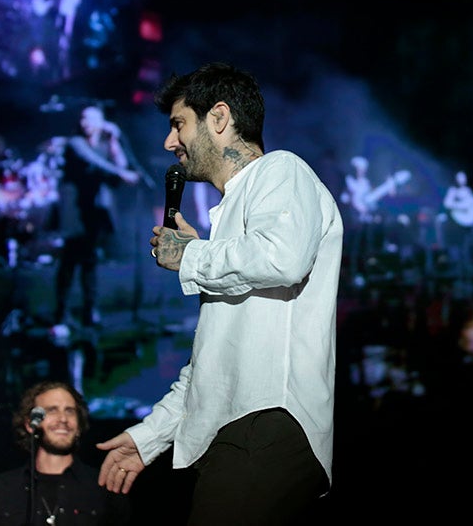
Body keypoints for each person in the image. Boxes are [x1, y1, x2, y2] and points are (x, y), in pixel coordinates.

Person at [94, 62, 344, 526]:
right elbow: (213, 361)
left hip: (268, 420)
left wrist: (191, 256)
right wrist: (149, 437)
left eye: (178, 124)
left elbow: (283, 257)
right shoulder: (229, 221)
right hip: (239, 428)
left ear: (220, 118)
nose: (170, 143)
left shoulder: (281, 171)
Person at [0, 380, 131, 525]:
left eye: (70, 411)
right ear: (31, 424)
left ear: (79, 426)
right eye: (52, 410)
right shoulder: (3, 489)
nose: (63, 418)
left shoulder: (104, 487)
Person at [54, 104, 141, 327]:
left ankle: (89, 310)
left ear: (101, 123)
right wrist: (122, 174)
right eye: (83, 119)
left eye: (91, 119)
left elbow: (120, 162)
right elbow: (97, 163)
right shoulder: (75, 143)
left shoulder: (104, 142)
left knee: (90, 260)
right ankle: (61, 312)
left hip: (93, 209)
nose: (86, 123)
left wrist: (113, 141)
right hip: (73, 207)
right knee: (70, 260)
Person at [442, 170, 473, 283]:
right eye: (459, 178)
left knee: (470, 244)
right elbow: (447, 204)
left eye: (463, 178)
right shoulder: (453, 191)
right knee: (457, 246)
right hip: (458, 223)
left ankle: (470, 266)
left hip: (469, 223)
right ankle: (456, 268)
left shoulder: (468, 190)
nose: (462, 180)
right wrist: (461, 206)